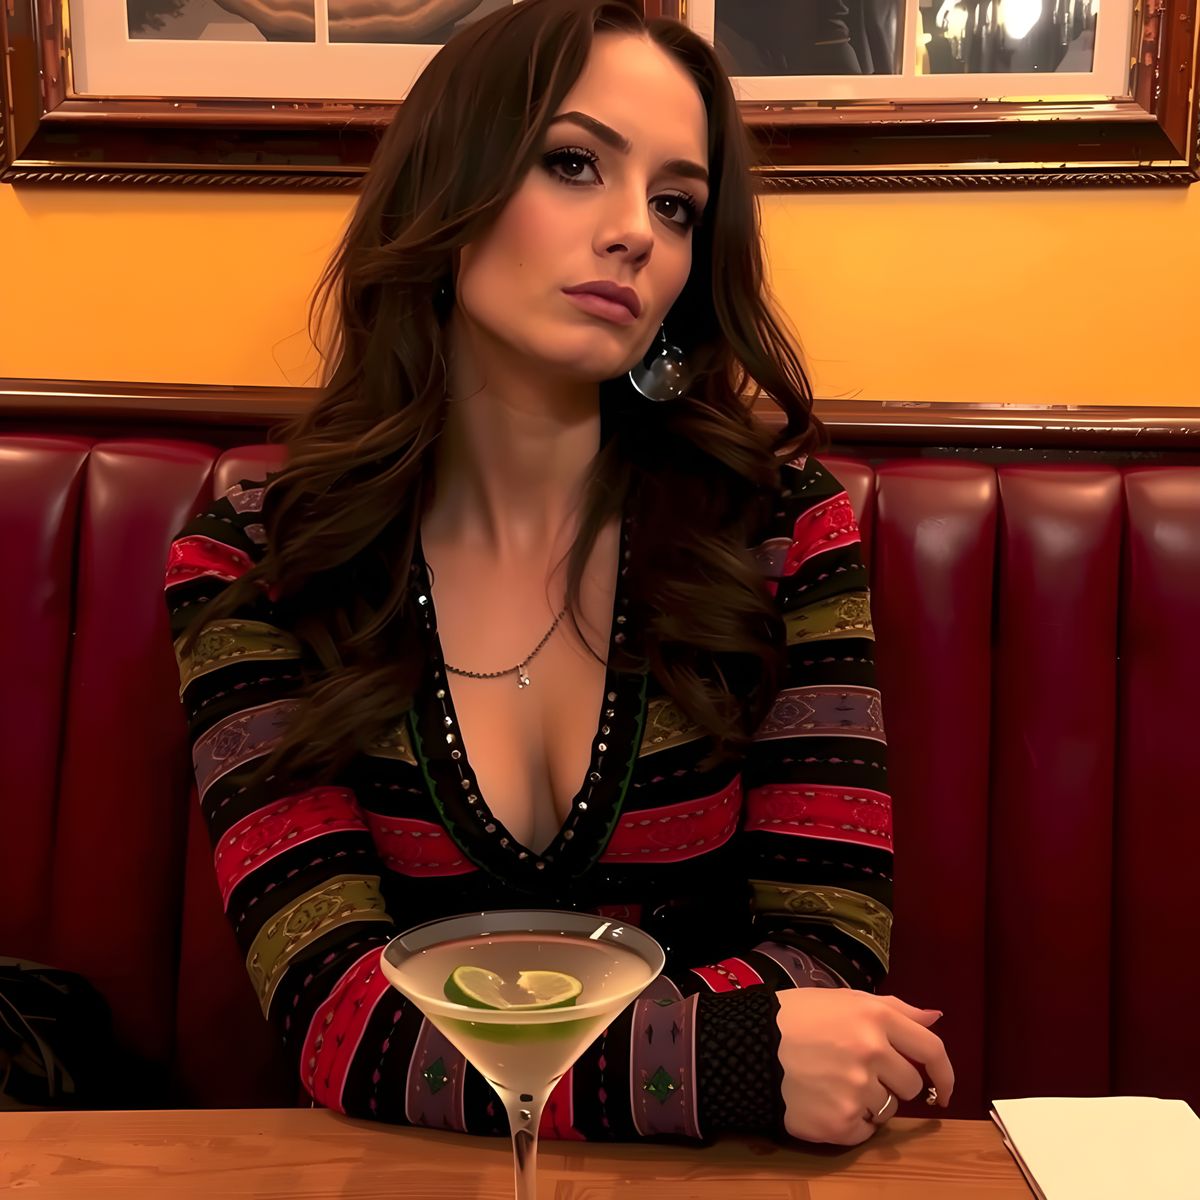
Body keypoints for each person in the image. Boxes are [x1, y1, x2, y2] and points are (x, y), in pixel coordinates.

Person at [164, 0, 954, 1147]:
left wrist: (501, 1059)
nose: (636, 232)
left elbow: (828, 952)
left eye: (676, 204)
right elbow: (335, 1016)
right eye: (575, 163)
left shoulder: (778, 530)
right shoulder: (251, 563)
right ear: (449, 186)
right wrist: (722, 1057)